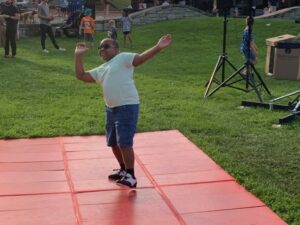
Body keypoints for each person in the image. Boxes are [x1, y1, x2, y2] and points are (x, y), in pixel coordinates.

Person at [74, 34, 173, 188]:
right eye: (100, 48)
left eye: (106, 46)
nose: (102, 49)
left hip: (127, 106)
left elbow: (140, 59)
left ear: (116, 49)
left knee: (124, 142)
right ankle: (123, 170)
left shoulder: (122, 58)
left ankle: (131, 176)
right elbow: (81, 75)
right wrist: (78, 55)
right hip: (111, 109)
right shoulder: (102, 69)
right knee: (113, 142)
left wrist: (158, 47)